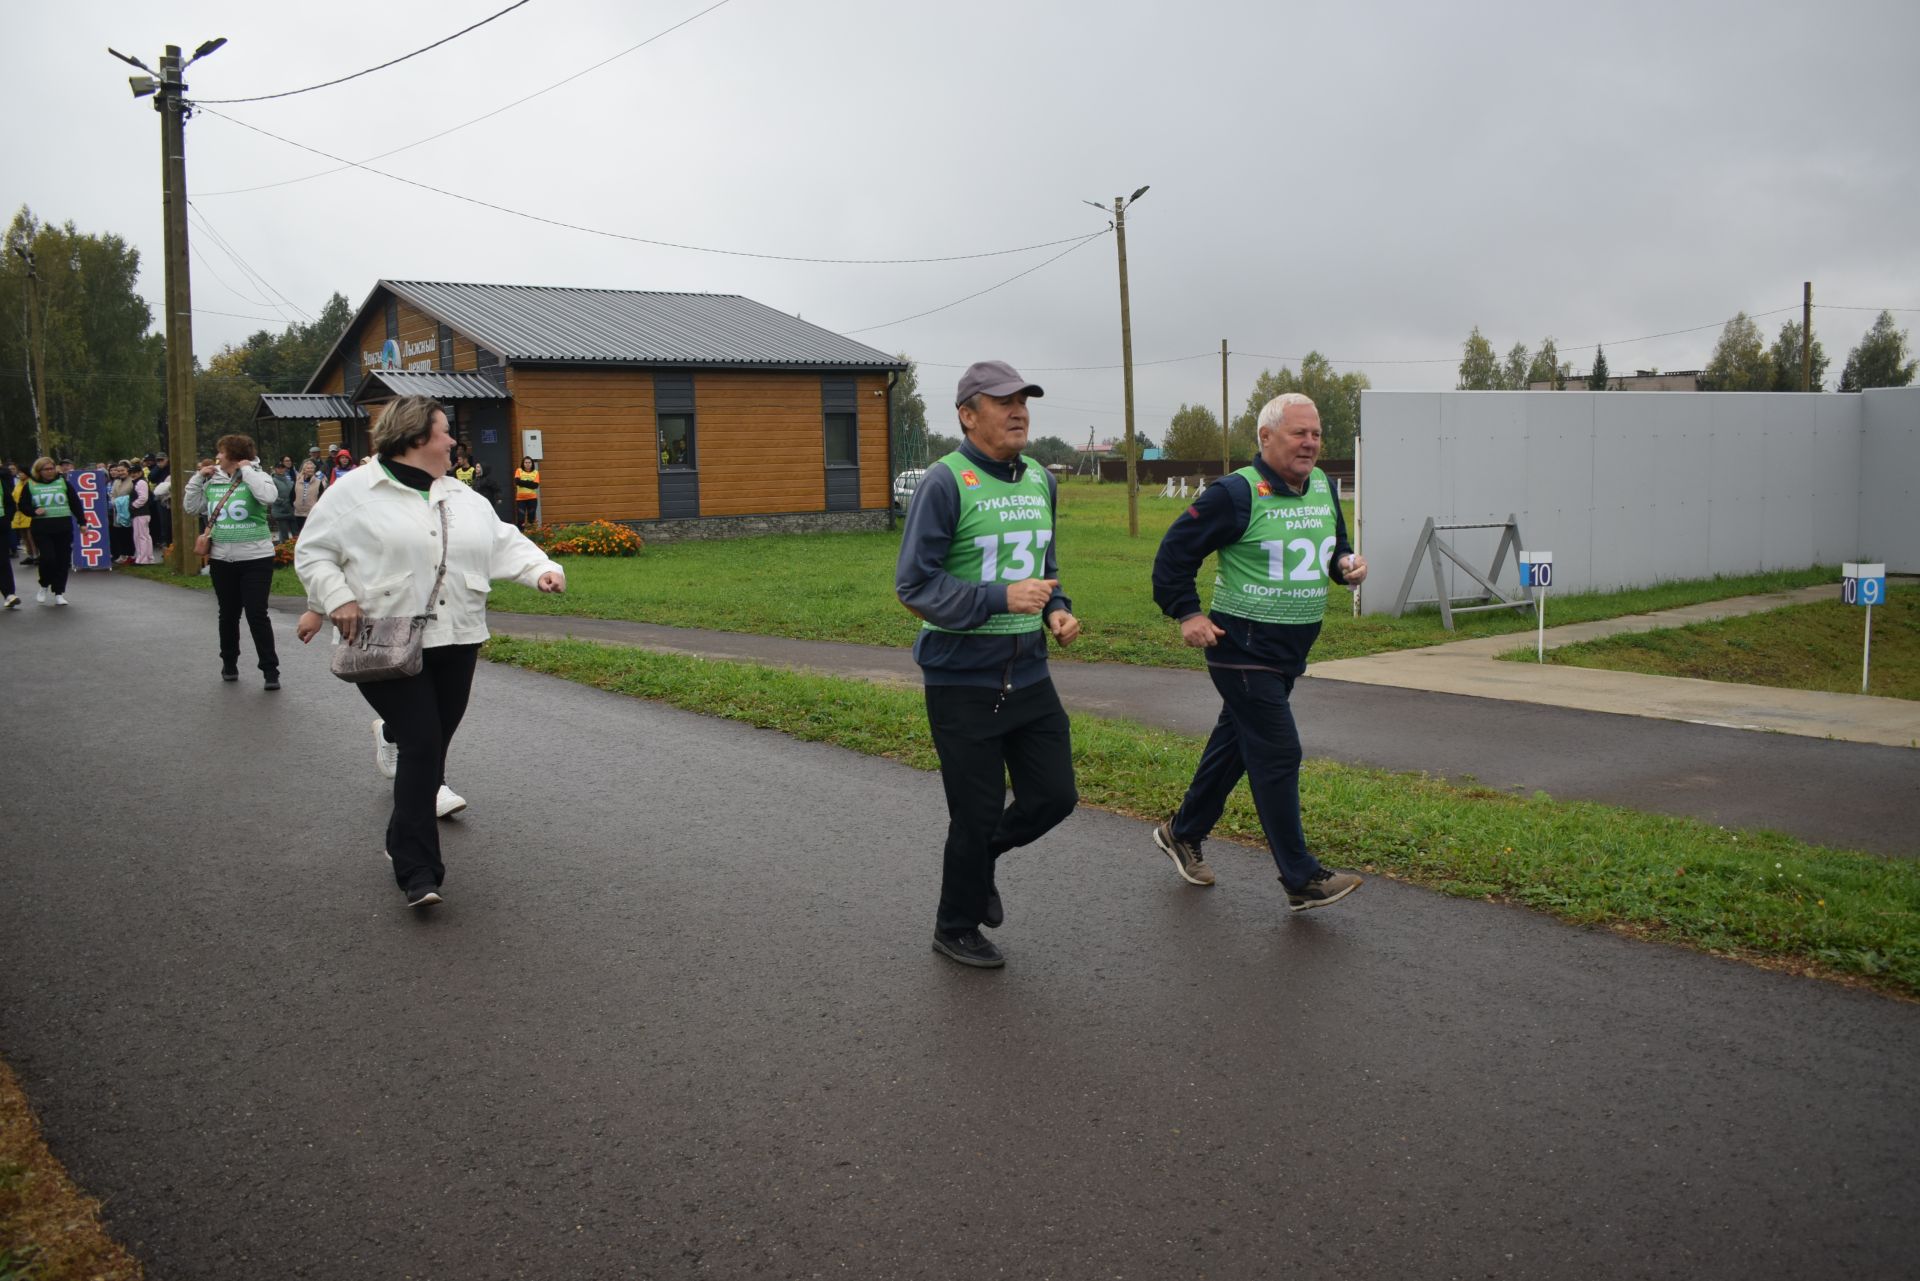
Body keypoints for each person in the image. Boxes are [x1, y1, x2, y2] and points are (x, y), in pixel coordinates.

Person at [295, 395, 565, 910]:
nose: (452, 442)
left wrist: (541, 570)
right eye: (445, 432)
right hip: (384, 639)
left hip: (458, 635)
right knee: (422, 746)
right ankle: (418, 870)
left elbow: (503, 541)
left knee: (431, 746)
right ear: (417, 437)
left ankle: (402, 829)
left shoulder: (462, 496)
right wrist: (336, 598)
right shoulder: (354, 492)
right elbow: (314, 553)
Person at [1149, 392, 1369, 911]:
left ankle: (1183, 831)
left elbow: (1335, 545)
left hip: (1289, 649)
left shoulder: (1321, 487)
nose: (1311, 443)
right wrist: (1188, 613)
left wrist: (1345, 566)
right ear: (1266, 438)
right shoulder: (1235, 494)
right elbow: (1173, 555)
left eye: (1316, 434)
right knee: (1278, 751)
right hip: (1240, 647)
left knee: (1236, 746)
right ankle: (1301, 878)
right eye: (1299, 433)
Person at [894, 361, 1080, 969]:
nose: (1019, 410)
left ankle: (979, 863)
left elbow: (1044, 567)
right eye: (1003, 402)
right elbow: (915, 585)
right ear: (968, 415)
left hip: (1028, 672)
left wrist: (1057, 608)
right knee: (973, 813)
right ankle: (955, 926)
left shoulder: (1041, 480)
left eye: (1024, 400)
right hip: (960, 678)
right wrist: (999, 598)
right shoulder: (945, 484)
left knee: (1054, 796)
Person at [185, 435, 283, 689]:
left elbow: (268, 496)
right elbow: (191, 507)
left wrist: (247, 470)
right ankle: (229, 662)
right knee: (227, 614)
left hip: (256, 558)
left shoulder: (258, 476)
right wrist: (198, 478)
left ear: (234, 456)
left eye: (221, 453)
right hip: (221, 559)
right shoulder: (212, 480)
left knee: (256, 614)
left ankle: (270, 670)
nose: (217, 457)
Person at [17, 457, 83, 605]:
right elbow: (22, 505)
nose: (50, 472)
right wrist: (34, 511)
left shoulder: (63, 483)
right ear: (39, 471)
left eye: (52, 468)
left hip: (63, 527)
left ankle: (59, 592)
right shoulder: (31, 485)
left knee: (62, 560)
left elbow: (74, 502)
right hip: (42, 528)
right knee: (48, 558)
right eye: (46, 469)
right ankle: (44, 584)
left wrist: (82, 521)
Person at [128, 463, 158, 564]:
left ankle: (142, 559)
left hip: (140, 513)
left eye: (135, 472)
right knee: (145, 536)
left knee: (140, 536)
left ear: (140, 472)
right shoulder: (139, 482)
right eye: (131, 473)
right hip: (142, 513)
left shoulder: (140, 482)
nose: (133, 474)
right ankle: (148, 558)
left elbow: (143, 498)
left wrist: (133, 505)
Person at [108, 462, 136, 564]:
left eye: (122, 470)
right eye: (118, 471)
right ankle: (122, 554)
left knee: (128, 533)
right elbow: (112, 494)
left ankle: (130, 554)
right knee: (119, 533)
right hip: (117, 511)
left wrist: (122, 501)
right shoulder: (116, 482)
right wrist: (114, 501)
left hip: (128, 511)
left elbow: (132, 494)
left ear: (128, 470)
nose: (120, 473)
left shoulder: (132, 481)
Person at [290, 458, 325, 536]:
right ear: (304, 470)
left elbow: (321, 497)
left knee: (311, 533)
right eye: (308, 468)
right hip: (299, 513)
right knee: (300, 534)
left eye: (312, 468)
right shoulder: (297, 482)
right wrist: (295, 504)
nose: (310, 470)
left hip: (312, 513)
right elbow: (292, 496)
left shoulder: (318, 482)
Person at [270, 460, 297, 542]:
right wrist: (283, 502)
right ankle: (283, 553)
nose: (281, 470)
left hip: (291, 511)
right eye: (279, 468)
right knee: (284, 535)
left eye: (282, 468)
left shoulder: (289, 481)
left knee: (296, 534)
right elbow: (272, 496)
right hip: (280, 512)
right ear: (275, 469)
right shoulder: (272, 481)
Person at [512, 456, 540, 528]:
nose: (527, 464)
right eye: (526, 462)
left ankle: (531, 534)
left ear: (532, 463)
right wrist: (529, 482)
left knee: (531, 518)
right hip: (521, 500)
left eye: (529, 462)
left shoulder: (536, 472)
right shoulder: (519, 470)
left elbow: (535, 485)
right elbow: (517, 482)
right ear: (523, 463)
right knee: (521, 519)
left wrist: (523, 482)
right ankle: (520, 534)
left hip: (532, 499)